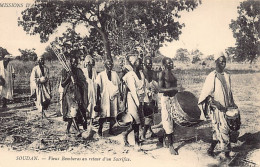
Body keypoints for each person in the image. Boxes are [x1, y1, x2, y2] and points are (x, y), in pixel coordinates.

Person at [198, 52, 238, 159]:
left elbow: (229, 92)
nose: (223, 64)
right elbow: (207, 95)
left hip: (227, 107)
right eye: (221, 62)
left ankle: (211, 149)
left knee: (219, 131)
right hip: (217, 109)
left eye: (224, 62)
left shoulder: (227, 75)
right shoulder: (212, 76)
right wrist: (216, 104)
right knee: (223, 129)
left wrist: (233, 103)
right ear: (216, 63)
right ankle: (225, 153)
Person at [61, 54, 88, 135]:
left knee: (78, 111)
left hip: (78, 93)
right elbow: (62, 84)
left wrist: (77, 82)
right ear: (70, 63)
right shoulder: (65, 71)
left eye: (76, 63)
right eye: (73, 63)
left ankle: (68, 129)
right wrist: (68, 77)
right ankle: (78, 130)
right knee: (73, 111)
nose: (75, 64)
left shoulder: (79, 71)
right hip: (69, 94)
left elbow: (84, 82)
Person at [122, 56, 145, 147]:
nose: (141, 64)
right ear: (134, 64)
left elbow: (143, 87)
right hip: (132, 99)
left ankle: (125, 134)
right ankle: (136, 142)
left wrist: (143, 100)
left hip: (140, 98)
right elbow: (133, 90)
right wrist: (138, 104)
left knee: (139, 121)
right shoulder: (131, 75)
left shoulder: (141, 74)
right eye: (140, 63)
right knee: (136, 121)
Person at [157, 57, 179, 155]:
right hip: (166, 100)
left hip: (173, 99)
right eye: (169, 63)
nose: (171, 64)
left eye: (171, 62)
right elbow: (160, 89)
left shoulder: (172, 74)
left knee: (173, 121)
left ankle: (161, 137)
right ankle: (171, 146)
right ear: (164, 64)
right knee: (167, 121)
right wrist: (175, 88)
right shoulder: (162, 74)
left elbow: (174, 87)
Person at [95, 59, 120, 136]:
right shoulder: (101, 75)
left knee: (113, 115)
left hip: (113, 97)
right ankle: (100, 129)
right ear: (105, 65)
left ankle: (111, 130)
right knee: (103, 115)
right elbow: (98, 88)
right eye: (108, 64)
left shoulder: (115, 74)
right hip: (104, 97)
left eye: (110, 64)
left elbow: (118, 85)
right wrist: (97, 100)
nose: (109, 66)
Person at [141, 56, 158, 140]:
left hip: (153, 95)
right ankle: (143, 134)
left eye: (151, 63)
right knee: (148, 115)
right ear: (144, 63)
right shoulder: (142, 73)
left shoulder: (153, 72)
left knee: (151, 114)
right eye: (148, 63)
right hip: (145, 96)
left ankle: (150, 132)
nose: (150, 64)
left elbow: (156, 83)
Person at [81, 55, 97, 126]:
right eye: (87, 64)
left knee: (93, 104)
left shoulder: (94, 71)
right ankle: (84, 120)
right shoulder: (83, 71)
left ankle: (91, 121)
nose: (88, 66)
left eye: (90, 64)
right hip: (86, 89)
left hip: (93, 90)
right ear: (85, 64)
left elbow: (96, 81)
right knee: (85, 104)